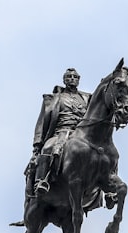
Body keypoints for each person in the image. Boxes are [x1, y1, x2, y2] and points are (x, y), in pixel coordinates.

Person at [26, 68, 92, 196]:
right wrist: (37, 145)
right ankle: (41, 181)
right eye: (69, 76)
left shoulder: (87, 98)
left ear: (79, 80)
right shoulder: (54, 98)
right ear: (64, 80)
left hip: (82, 134)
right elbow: (41, 123)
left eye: (75, 77)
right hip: (61, 132)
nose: (72, 78)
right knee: (48, 148)